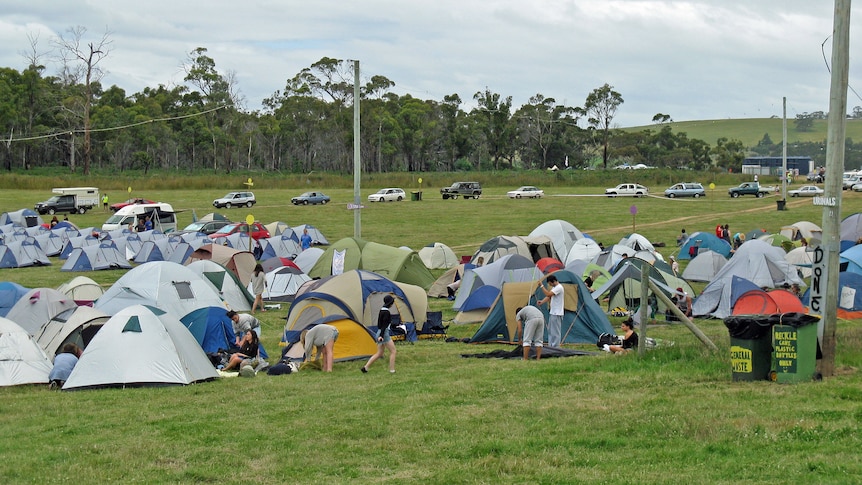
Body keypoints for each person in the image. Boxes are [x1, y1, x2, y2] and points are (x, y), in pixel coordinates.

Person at [361, 295, 397, 374]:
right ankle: (392, 370)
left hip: (379, 332)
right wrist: (382, 336)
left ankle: (366, 367)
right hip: (384, 334)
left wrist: (380, 334)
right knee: (393, 351)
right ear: (390, 303)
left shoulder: (381, 310)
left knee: (379, 353)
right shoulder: (386, 312)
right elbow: (384, 325)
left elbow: (380, 324)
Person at [537, 274, 564, 347]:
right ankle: (551, 345)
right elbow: (549, 297)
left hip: (557, 313)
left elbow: (548, 294)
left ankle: (556, 346)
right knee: (551, 331)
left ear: (553, 281)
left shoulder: (559, 287)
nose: (550, 285)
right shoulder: (555, 288)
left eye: (550, 283)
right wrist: (542, 302)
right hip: (553, 312)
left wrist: (541, 286)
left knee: (556, 331)